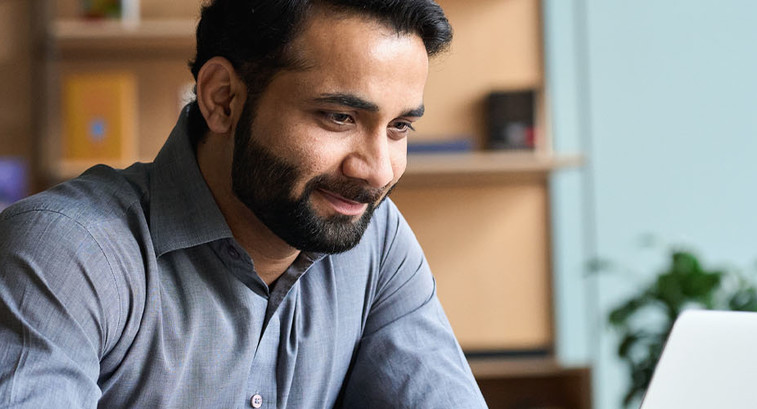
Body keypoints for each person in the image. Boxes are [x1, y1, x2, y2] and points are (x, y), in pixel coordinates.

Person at [0, 0, 488, 408]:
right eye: (339, 117)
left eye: (399, 127)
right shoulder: (68, 253)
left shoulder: (376, 242)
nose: (378, 170)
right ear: (222, 99)